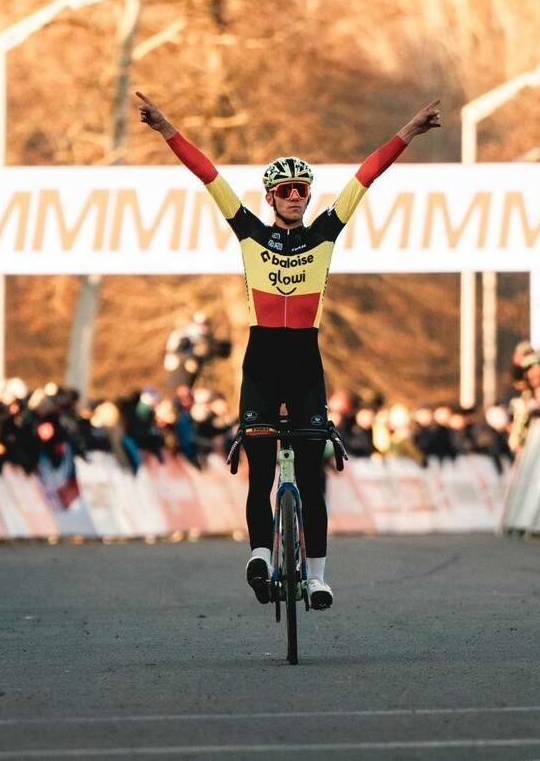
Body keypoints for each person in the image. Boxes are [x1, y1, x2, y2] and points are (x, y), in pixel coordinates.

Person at [136, 90, 440, 609]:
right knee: (260, 474)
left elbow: (365, 178)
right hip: (260, 363)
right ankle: (259, 553)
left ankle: (317, 578)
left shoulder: (325, 232)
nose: (296, 195)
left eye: (302, 188)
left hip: (305, 365)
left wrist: (408, 131)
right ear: (271, 197)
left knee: (313, 484)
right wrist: (167, 128)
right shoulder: (248, 231)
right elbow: (209, 177)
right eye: (286, 189)